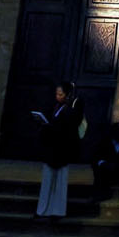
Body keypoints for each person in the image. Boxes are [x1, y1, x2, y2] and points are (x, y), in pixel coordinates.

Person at [36, 80, 87, 218]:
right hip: (51, 148)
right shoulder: (55, 106)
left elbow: (72, 126)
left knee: (60, 182)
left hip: (63, 148)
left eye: (61, 94)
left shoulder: (73, 108)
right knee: (47, 181)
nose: (58, 96)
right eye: (57, 94)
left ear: (68, 94)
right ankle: (42, 210)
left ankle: (57, 211)